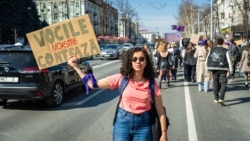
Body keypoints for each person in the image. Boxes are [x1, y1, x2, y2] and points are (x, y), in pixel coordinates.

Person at [68, 47, 168, 141]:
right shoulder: (121, 78)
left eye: (142, 59)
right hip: (122, 123)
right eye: (134, 59)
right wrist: (76, 67)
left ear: (146, 62)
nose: (138, 62)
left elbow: (160, 111)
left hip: (144, 125)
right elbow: (93, 84)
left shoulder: (152, 83)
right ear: (130, 61)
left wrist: (164, 134)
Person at [206, 37, 233, 105]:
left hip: (214, 69)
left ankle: (216, 98)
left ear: (216, 42)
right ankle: (221, 98)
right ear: (223, 42)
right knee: (223, 83)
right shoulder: (225, 50)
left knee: (215, 83)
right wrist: (231, 70)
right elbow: (229, 61)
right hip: (223, 69)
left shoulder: (212, 49)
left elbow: (207, 59)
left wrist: (207, 68)